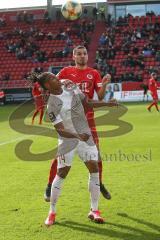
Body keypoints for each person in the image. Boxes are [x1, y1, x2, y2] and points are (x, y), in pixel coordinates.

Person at [30, 72, 118, 226]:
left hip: (85, 136)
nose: (58, 78)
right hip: (67, 140)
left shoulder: (69, 84)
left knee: (94, 170)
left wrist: (107, 104)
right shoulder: (51, 104)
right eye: (53, 78)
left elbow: (87, 103)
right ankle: (52, 211)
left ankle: (94, 210)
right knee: (62, 172)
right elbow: (60, 130)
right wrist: (78, 136)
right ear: (48, 85)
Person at [44, 45, 112, 202]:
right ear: (74, 57)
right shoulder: (66, 72)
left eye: (84, 54)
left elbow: (100, 97)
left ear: (87, 56)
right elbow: (52, 85)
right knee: (61, 155)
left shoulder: (94, 73)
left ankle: (99, 182)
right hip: (69, 121)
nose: (82, 56)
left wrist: (105, 83)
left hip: (88, 119)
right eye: (79, 54)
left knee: (97, 155)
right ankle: (49, 185)